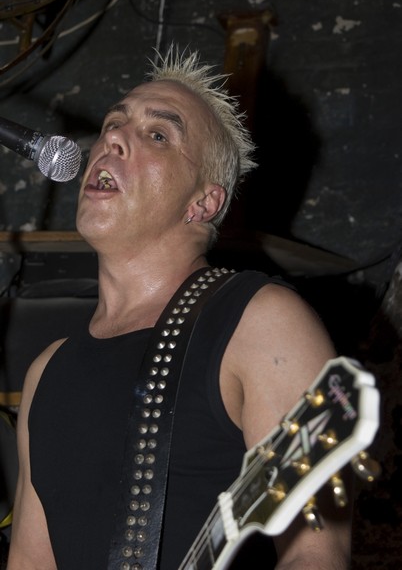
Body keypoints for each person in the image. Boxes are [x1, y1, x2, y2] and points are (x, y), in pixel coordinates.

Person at [7, 46, 352, 569]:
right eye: (113, 123)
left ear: (203, 203)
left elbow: (315, 554)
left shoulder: (262, 323)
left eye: (158, 135)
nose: (112, 139)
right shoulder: (45, 372)